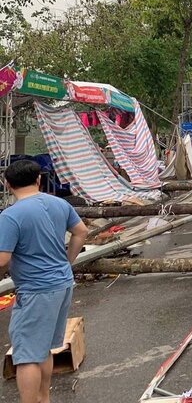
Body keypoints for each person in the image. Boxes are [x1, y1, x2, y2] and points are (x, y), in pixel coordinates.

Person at [0, 160, 88, 403]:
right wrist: (67, 261)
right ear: (38, 179)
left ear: (7, 184)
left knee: (26, 354)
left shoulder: (10, 216)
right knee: (43, 347)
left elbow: (2, 259)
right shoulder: (59, 203)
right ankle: (43, 398)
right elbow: (81, 232)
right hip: (62, 284)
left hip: (35, 290)